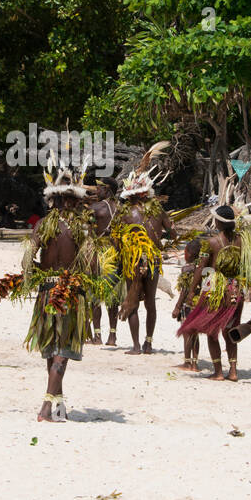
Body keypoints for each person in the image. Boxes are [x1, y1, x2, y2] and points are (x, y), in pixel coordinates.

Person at [0, 159, 100, 422]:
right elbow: (92, 265)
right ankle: (46, 407)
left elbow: (27, 259)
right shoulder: (82, 229)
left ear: (55, 201)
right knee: (62, 352)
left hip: (45, 292)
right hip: (70, 293)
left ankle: (59, 404)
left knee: (51, 350)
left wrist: (34, 275)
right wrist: (91, 287)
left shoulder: (42, 226)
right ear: (73, 201)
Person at [112, 145, 173, 354]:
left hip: (132, 261)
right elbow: (173, 233)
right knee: (150, 303)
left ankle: (136, 345)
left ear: (130, 194)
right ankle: (148, 343)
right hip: (153, 260)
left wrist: (120, 257)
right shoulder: (158, 210)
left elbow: (115, 238)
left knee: (132, 299)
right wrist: (160, 240)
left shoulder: (124, 212)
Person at [177, 206, 245, 380]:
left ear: (220, 222)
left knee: (211, 331)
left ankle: (219, 372)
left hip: (217, 289)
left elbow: (202, 268)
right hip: (236, 289)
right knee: (230, 330)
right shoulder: (241, 241)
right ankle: (234, 371)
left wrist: (192, 291)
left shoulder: (212, 243)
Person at [87, 180, 120, 345]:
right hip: (116, 254)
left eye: (99, 187)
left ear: (106, 189)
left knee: (95, 293)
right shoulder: (121, 209)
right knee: (112, 295)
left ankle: (97, 335)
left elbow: (85, 229)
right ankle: (112, 336)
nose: (96, 190)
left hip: (99, 253)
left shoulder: (96, 207)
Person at [172, 238, 202, 371]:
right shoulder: (203, 268)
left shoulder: (187, 269)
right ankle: (195, 363)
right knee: (195, 334)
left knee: (187, 333)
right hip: (200, 305)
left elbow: (184, 290)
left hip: (189, 305)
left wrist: (177, 307)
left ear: (189, 253)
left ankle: (187, 362)